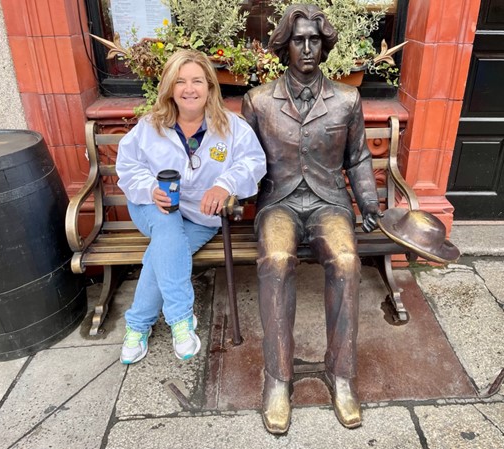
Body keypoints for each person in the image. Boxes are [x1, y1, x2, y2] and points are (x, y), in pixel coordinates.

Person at [241, 4, 382, 434]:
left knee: (345, 261)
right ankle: (278, 380)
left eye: (314, 40)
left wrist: (369, 203)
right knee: (278, 260)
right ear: (285, 45)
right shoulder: (259, 101)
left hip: (328, 203)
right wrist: (232, 195)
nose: (307, 48)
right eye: (299, 40)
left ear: (324, 46)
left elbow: (357, 157)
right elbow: (244, 161)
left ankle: (341, 375)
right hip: (279, 202)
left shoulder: (346, 99)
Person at [116, 49, 266, 365]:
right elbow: (128, 165)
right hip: (151, 206)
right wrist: (149, 188)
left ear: (210, 87)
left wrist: (226, 184)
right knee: (166, 223)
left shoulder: (231, 127)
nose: (189, 89)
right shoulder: (151, 125)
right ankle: (181, 319)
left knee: (164, 252)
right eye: (180, 81)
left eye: (197, 81)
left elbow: (254, 162)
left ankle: (137, 324)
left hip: (201, 216)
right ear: (170, 88)